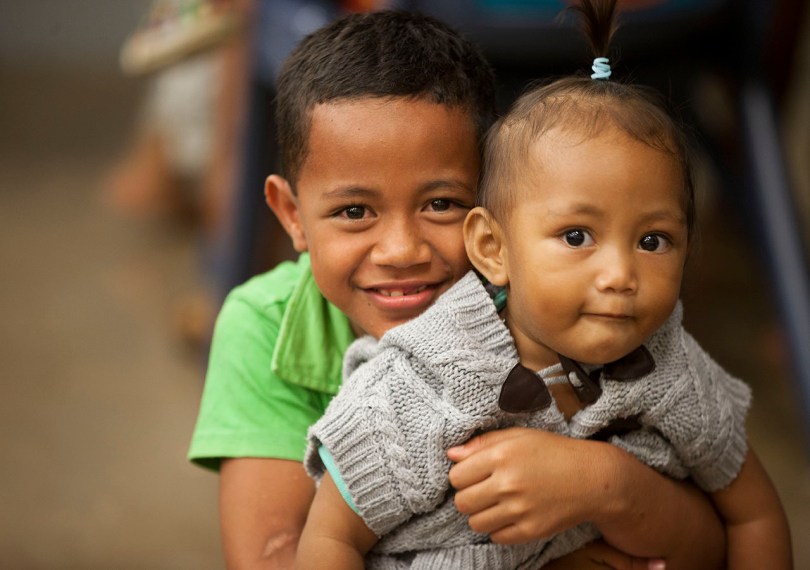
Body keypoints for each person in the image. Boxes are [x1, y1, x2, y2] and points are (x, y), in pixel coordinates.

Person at [188, 9, 730, 569]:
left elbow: (715, 547)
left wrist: (607, 483)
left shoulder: (563, 313)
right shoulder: (265, 325)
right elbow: (272, 556)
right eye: (354, 211)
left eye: (441, 203)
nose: (400, 251)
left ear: (497, 215)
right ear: (292, 215)